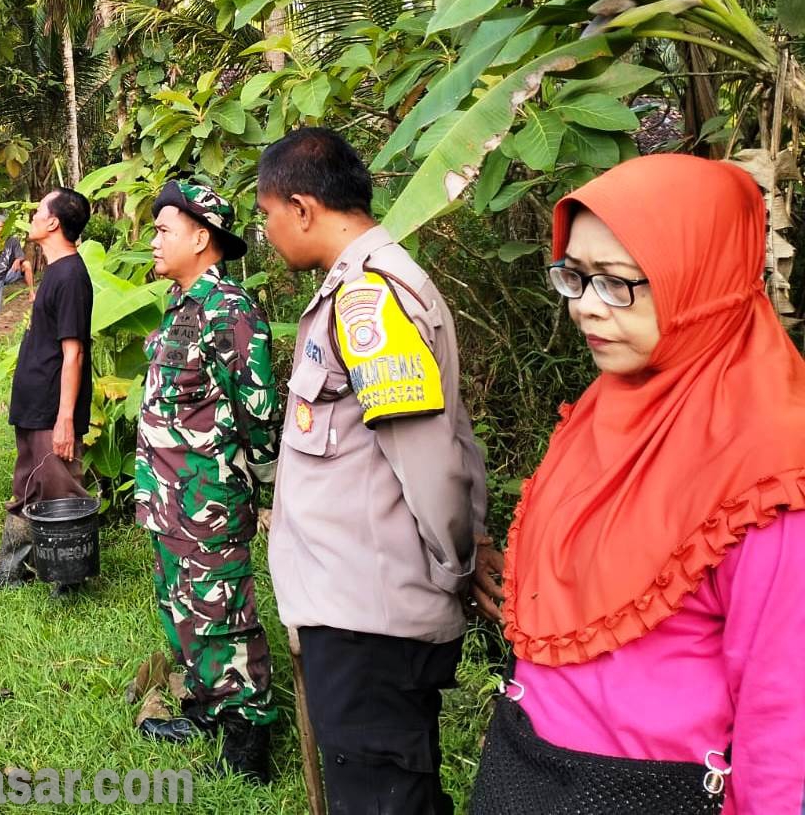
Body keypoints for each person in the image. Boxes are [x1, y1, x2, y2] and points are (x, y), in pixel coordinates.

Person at [470, 156, 805, 814]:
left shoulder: (770, 465)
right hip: (527, 766)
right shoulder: (611, 406)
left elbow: (784, 714)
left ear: (699, 277)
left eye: (617, 283)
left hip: (646, 793)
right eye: (575, 276)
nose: (585, 308)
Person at [256, 127, 486, 813]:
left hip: (373, 621)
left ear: (302, 208)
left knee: (384, 800)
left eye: (267, 215)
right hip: (352, 607)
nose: (267, 233)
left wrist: (457, 568)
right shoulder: (360, 291)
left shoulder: (369, 302)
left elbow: (432, 459)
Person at [134, 180, 278, 783]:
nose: (155, 240)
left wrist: (266, 488)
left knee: (222, 614)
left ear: (201, 236)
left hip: (208, 501)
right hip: (167, 498)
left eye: (164, 229)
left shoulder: (230, 310)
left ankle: (249, 743)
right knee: (182, 608)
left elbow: (260, 409)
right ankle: (206, 706)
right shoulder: (181, 306)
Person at [0, 188, 94, 588]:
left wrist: (65, 418)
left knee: (61, 489)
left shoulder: (70, 276)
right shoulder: (55, 271)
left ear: (53, 223)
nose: (31, 217)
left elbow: (74, 354)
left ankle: (70, 582)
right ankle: (8, 575)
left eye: (37, 212)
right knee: (27, 487)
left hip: (52, 407)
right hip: (34, 403)